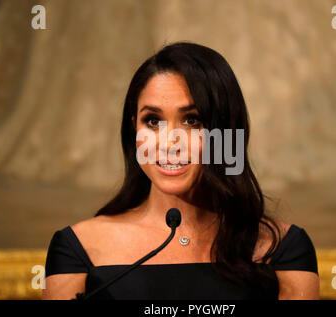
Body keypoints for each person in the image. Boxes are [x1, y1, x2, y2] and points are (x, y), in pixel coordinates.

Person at [42, 42, 319, 300]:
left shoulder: (283, 249)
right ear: (133, 130)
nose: (169, 142)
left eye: (192, 120)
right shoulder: (78, 247)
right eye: (152, 121)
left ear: (226, 134)